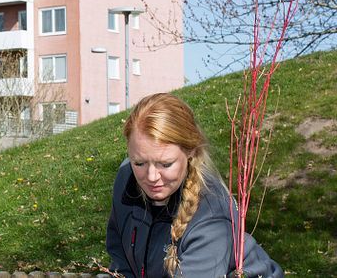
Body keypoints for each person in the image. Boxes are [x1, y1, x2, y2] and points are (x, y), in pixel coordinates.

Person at [106, 93, 284, 278]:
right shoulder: (126, 177)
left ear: (191, 150)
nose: (151, 177)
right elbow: (120, 261)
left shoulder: (212, 217)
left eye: (165, 164)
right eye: (139, 163)